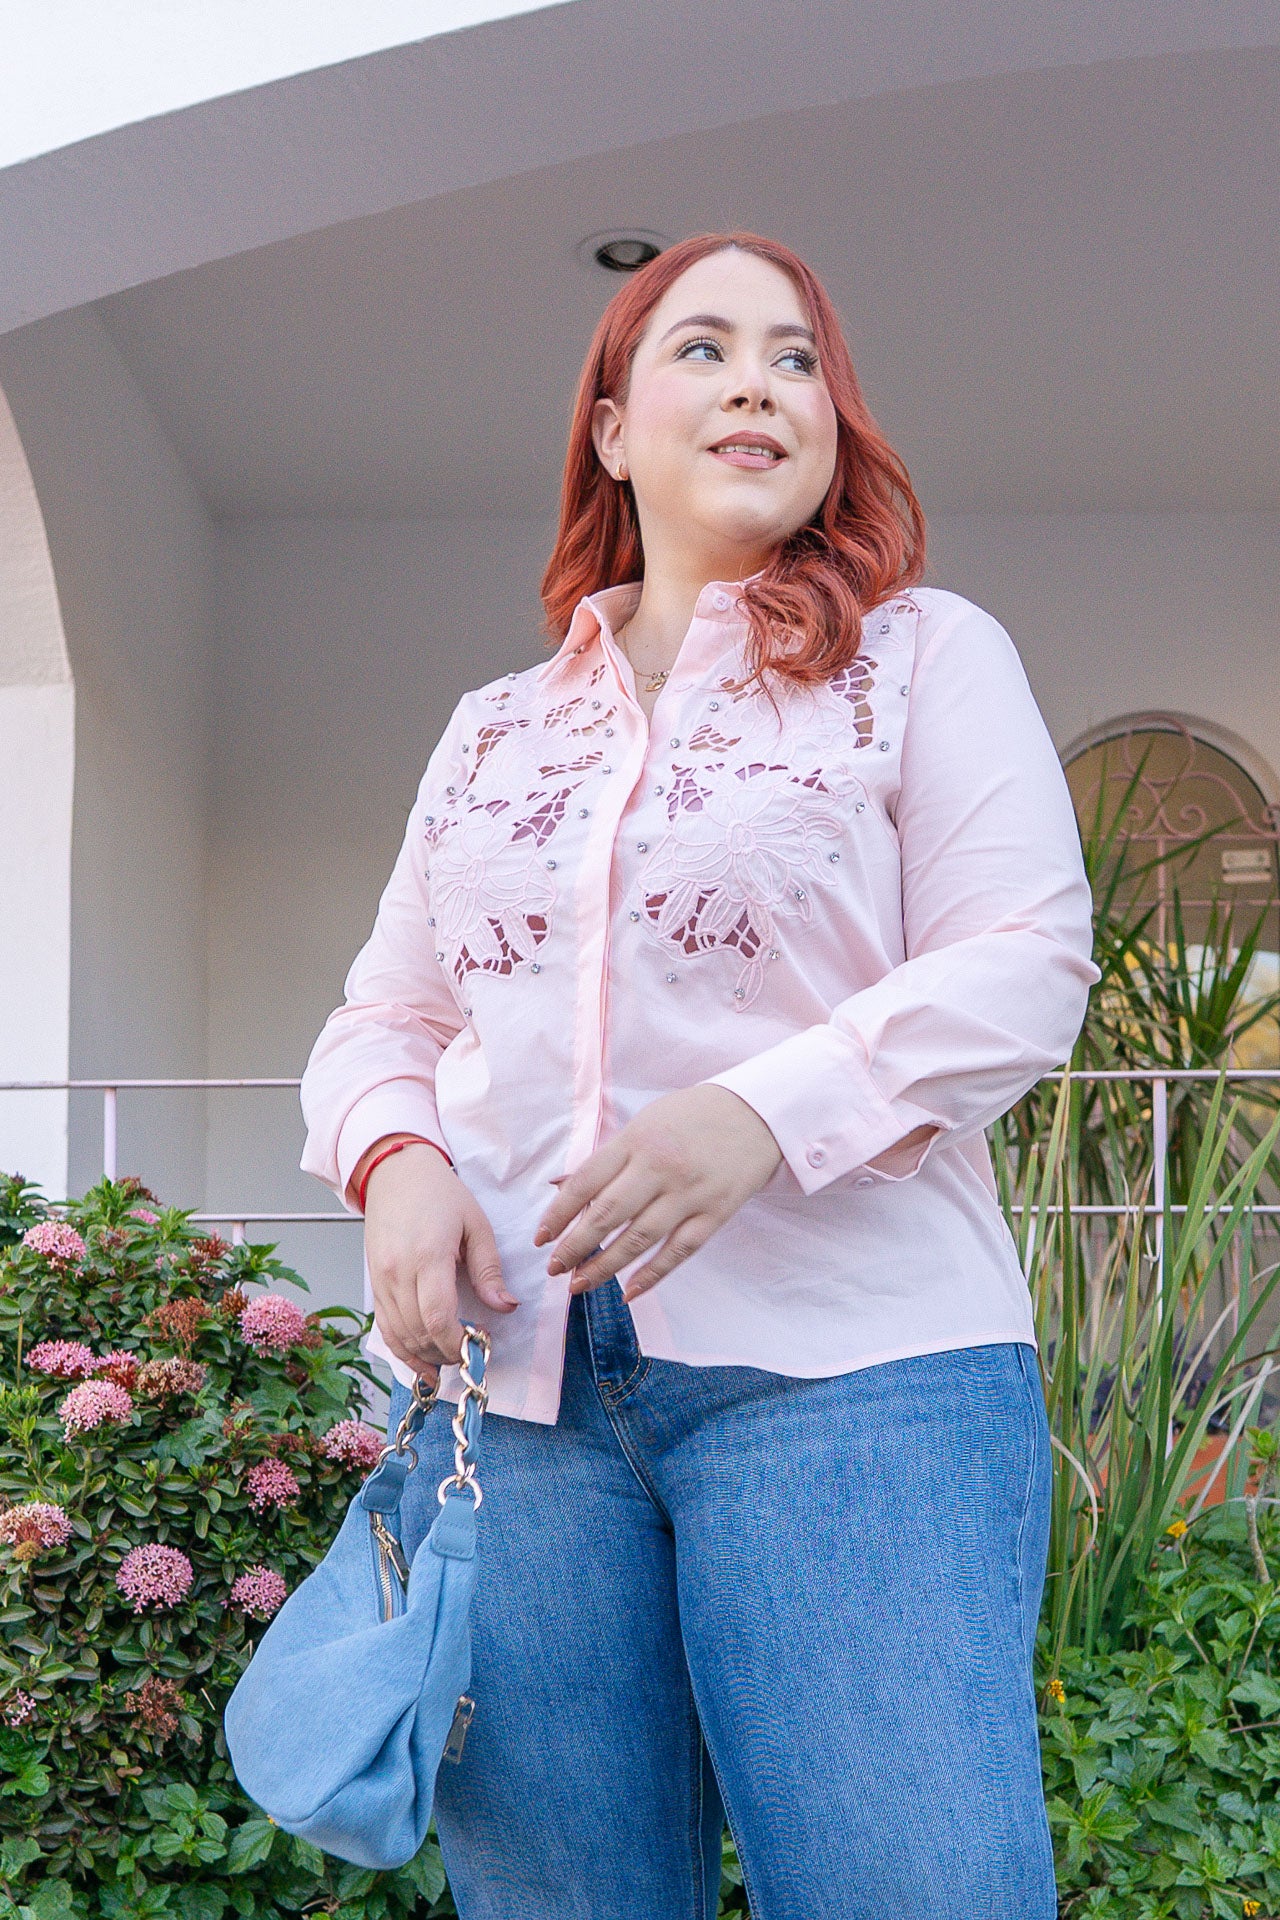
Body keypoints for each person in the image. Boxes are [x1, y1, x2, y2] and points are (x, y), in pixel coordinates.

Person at [299, 231, 1098, 1920]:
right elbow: (389, 1012)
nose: (759, 380)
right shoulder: (496, 727)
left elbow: (1025, 960)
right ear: (608, 431)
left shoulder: (923, 657)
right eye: (706, 349)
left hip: (859, 1383)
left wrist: (763, 1110)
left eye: (797, 357)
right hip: (512, 1414)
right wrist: (401, 1162)